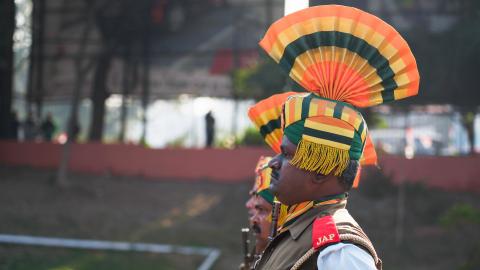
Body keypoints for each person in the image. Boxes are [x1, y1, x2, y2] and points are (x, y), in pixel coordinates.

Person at [251, 5, 420, 270]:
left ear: (319, 173)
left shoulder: (340, 250)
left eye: (286, 154)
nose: (274, 163)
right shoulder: (300, 231)